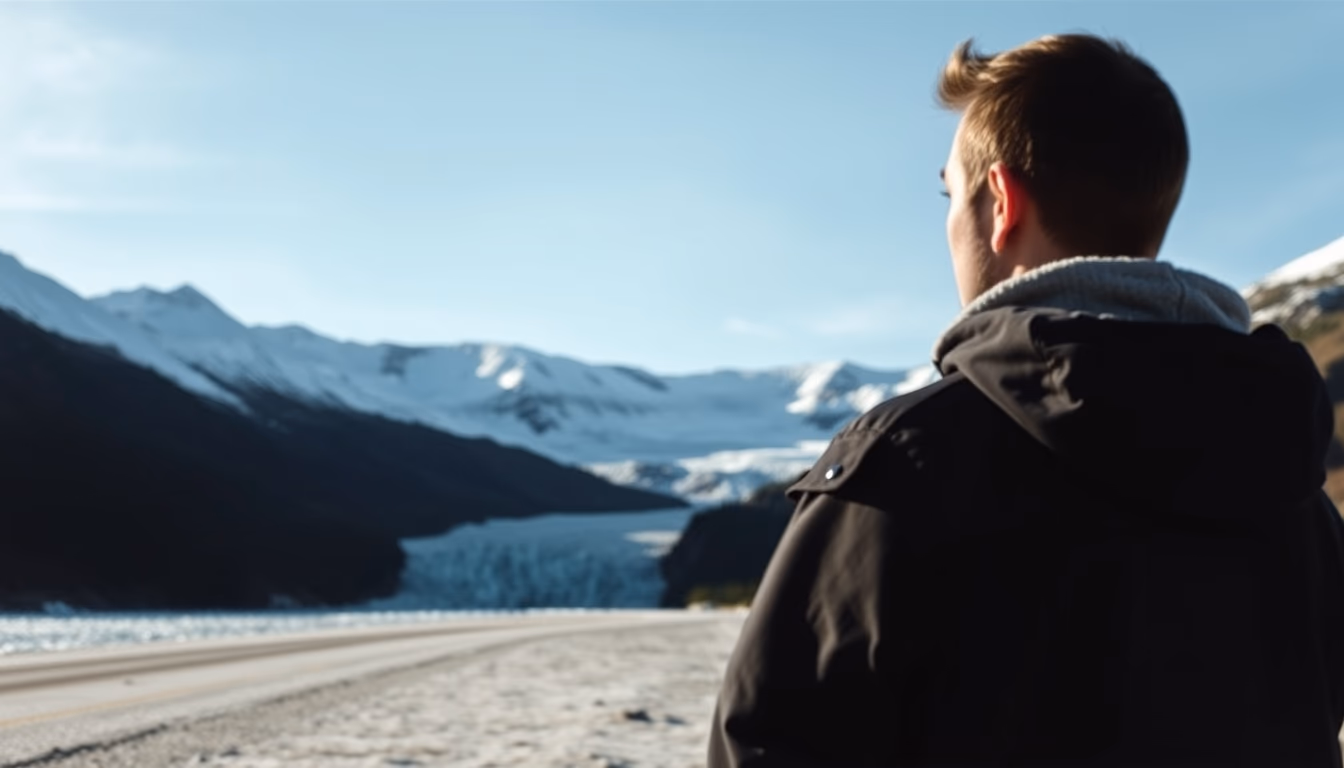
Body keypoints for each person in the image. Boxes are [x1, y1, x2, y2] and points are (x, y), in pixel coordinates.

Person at [708, 33, 1344, 768]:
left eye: (952, 194)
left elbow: (771, 741)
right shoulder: (1286, 479)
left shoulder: (910, 462)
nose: (950, 222)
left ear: (1002, 202)